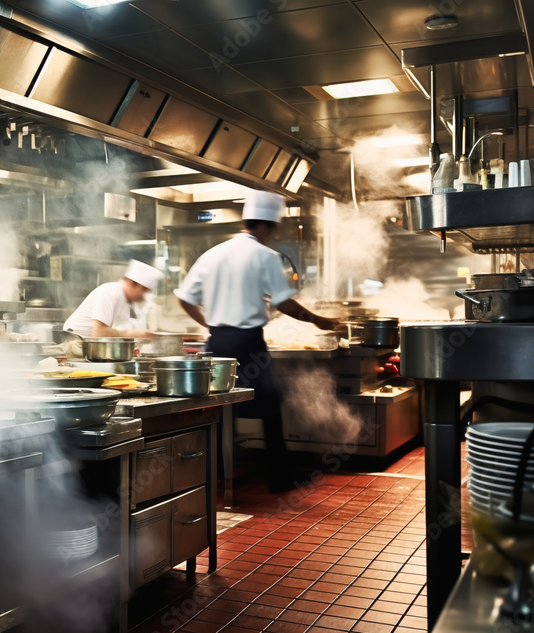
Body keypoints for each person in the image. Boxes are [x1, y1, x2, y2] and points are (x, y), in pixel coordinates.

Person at [174, 189, 337, 493]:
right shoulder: (265, 256)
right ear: (266, 226)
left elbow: (184, 298)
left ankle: (217, 477)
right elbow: (285, 304)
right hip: (248, 343)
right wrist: (319, 320)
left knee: (223, 408)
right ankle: (280, 480)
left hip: (218, 343)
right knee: (270, 405)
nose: (273, 236)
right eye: (273, 229)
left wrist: (209, 323)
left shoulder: (214, 253)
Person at [63, 259, 164, 338]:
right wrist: (132, 334)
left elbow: (116, 331)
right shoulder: (109, 293)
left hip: (92, 348)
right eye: (144, 290)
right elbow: (100, 333)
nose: (145, 295)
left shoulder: (125, 301)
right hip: (75, 344)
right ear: (131, 284)